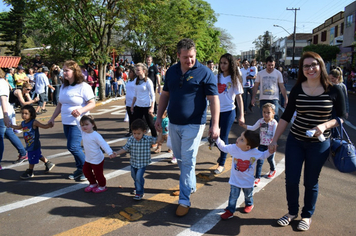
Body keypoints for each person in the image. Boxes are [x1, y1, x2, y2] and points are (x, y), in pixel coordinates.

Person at [269, 52, 346, 231]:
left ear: (321, 66)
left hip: (319, 143)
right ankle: (291, 212)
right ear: (302, 69)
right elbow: (286, 116)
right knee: (291, 180)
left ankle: (307, 215)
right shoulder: (297, 89)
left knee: (311, 182)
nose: (310, 69)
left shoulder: (333, 89)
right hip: (296, 140)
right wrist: (274, 139)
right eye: (306, 66)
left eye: (314, 65)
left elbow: (342, 116)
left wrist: (326, 125)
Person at [155, 38, 220, 217]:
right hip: (174, 123)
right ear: (178, 55)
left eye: (192, 57)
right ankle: (189, 185)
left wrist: (215, 125)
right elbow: (165, 94)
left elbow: (214, 100)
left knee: (188, 159)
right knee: (182, 160)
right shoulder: (171, 72)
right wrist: (159, 116)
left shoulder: (205, 73)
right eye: (185, 57)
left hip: (194, 124)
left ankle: (184, 199)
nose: (189, 61)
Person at [48, 60, 95, 181]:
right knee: (74, 147)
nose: (64, 72)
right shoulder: (64, 86)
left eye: (66, 70)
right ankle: (80, 169)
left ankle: (88, 169)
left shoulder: (84, 86)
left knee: (73, 147)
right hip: (66, 121)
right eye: (63, 70)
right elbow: (60, 104)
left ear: (75, 72)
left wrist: (81, 110)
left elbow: (92, 103)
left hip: (79, 122)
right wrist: (52, 118)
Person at [215, 130, 275, 220]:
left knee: (248, 195)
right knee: (233, 197)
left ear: (248, 147)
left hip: (248, 181)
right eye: (240, 136)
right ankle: (230, 211)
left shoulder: (254, 152)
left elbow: (263, 155)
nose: (238, 139)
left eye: (242, 139)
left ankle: (249, 204)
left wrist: (270, 151)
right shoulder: (234, 148)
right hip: (235, 180)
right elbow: (223, 147)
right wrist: (217, 139)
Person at [213, 53, 244, 175]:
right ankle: (223, 154)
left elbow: (239, 98)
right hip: (217, 111)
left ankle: (221, 164)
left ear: (230, 64)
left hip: (229, 111)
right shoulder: (217, 77)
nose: (222, 65)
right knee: (214, 136)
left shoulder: (234, 78)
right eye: (221, 63)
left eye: (225, 63)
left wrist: (241, 115)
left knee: (224, 137)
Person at [114, 119, 157, 200]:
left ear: (144, 132)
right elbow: (125, 148)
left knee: (138, 177)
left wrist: (162, 132)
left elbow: (157, 140)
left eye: (138, 133)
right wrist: (116, 153)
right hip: (134, 162)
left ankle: (139, 193)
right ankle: (138, 186)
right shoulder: (131, 139)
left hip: (142, 163)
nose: (136, 135)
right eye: (134, 133)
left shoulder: (147, 139)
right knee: (134, 177)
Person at [11, 105, 55, 179]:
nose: (24, 115)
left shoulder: (33, 122)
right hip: (28, 143)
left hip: (34, 144)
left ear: (31, 114)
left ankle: (30, 171)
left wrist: (49, 125)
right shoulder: (23, 123)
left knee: (31, 156)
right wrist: (11, 126)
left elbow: (43, 126)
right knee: (37, 154)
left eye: (26, 113)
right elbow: (18, 127)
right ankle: (48, 163)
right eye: (22, 113)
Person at [240, 103, 278, 186]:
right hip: (261, 145)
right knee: (259, 161)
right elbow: (253, 128)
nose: (266, 114)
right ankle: (257, 178)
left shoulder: (274, 123)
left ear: (273, 113)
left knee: (270, 159)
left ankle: (273, 169)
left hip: (270, 146)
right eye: (264, 112)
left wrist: (273, 144)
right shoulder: (261, 121)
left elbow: (275, 134)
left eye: (268, 112)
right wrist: (244, 126)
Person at [78, 115, 116, 193]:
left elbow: (104, 144)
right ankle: (93, 183)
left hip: (97, 159)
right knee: (86, 171)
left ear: (93, 124)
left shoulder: (96, 135)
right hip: (88, 158)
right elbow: (77, 122)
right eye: (82, 125)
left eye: (86, 124)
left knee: (98, 174)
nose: (84, 126)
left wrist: (109, 152)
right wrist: (76, 116)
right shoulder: (84, 132)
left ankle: (102, 186)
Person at [0, 69, 28, 169]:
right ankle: (23, 153)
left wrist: (6, 116)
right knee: (9, 133)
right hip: (3, 114)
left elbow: (3, 100)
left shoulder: (1, 82)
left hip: (2, 114)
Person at [251, 56, 288, 121]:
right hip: (263, 99)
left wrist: (286, 99)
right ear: (266, 64)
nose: (271, 67)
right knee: (264, 119)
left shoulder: (278, 73)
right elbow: (256, 86)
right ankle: (265, 131)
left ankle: (275, 131)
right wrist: (253, 97)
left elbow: (282, 87)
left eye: (272, 65)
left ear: (275, 64)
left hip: (274, 99)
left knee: (275, 118)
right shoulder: (260, 73)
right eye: (269, 65)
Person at [131, 63, 157, 139]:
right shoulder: (136, 80)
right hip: (138, 105)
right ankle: (139, 138)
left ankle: (155, 139)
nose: (137, 71)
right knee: (136, 123)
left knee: (150, 124)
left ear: (144, 71)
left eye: (138, 70)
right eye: (136, 70)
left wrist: (152, 107)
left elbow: (153, 95)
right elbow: (135, 94)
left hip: (147, 106)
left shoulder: (148, 81)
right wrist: (132, 105)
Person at [125, 66, 136, 137]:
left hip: (134, 102)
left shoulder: (136, 81)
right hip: (128, 101)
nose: (129, 73)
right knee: (130, 117)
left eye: (131, 72)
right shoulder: (129, 81)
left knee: (134, 117)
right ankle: (130, 130)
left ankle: (134, 131)